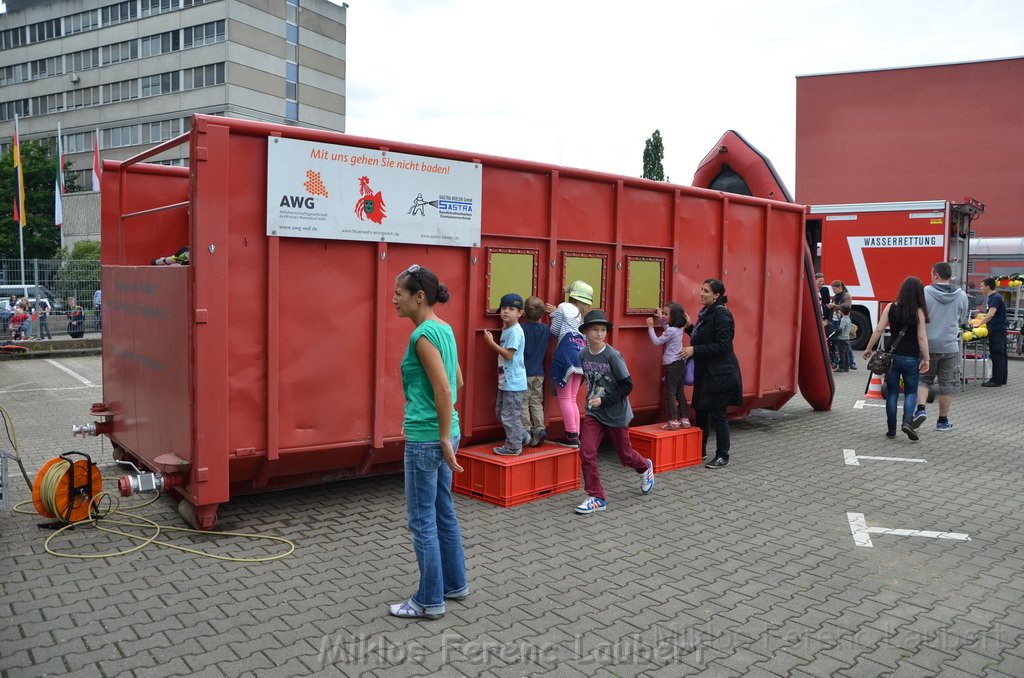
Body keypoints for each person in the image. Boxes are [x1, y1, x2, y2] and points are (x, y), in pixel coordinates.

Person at [389, 264, 468, 620]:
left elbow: (445, 387)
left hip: (428, 438)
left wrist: (439, 438)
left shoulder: (422, 336)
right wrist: (447, 435)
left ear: (419, 297)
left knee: (422, 520)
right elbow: (458, 379)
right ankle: (455, 585)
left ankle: (428, 601)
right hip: (447, 430)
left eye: (398, 294)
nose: (394, 300)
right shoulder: (444, 329)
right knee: (443, 512)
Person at [573, 309, 655, 514]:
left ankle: (645, 466)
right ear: (586, 332)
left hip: (616, 414)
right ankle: (596, 497)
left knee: (625, 455)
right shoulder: (583, 354)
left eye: (602, 330)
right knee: (587, 452)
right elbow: (591, 379)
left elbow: (627, 386)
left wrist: (604, 400)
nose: (599, 334)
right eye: (595, 330)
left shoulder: (612, 355)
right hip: (594, 413)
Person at [681, 279, 743, 469]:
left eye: (706, 291)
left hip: (721, 374)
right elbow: (704, 337)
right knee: (701, 410)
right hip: (707, 372)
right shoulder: (706, 313)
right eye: (701, 289)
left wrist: (694, 350)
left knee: (718, 414)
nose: (701, 293)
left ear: (716, 295)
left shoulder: (721, 315)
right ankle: (699, 450)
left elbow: (723, 345)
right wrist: (690, 327)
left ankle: (722, 455)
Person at [863, 276, 930, 441]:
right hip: (912, 357)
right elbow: (922, 337)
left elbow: (879, 329)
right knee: (910, 393)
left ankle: (891, 429)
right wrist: (927, 358)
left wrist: (868, 348)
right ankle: (907, 422)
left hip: (891, 356)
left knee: (892, 393)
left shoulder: (890, 307)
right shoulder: (919, 312)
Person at [913, 262, 969, 430]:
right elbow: (963, 320)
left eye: (931, 273)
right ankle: (943, 421)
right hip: (950, 346)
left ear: (936, 275)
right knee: (947, 385)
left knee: (923, 379)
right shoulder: (962, 296)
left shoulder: (923, 293)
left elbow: (918, 318)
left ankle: (921, 410)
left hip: (927, 346)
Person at [545, 280, 593, 448]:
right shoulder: (588, 316)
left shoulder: (564, 307)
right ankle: (576, 435)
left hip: (566, 356)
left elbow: (555, 330)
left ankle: (571, 436)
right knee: (572, 398)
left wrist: (553, 314)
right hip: (581, 357)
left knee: (565, 398)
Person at [483, 293, 528, 456]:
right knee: (501, 411)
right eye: (503, 308)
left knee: (509, 415)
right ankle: (523, 436)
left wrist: (491, 343)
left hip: (514, 382)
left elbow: (509, 355)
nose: (506, 311)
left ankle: (514, 447)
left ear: (520, 313)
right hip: (506, 381)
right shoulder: (508, 328)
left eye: (511, 309)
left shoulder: (515, 331)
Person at [646, 302, 691, 429]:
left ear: (674, 317)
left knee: (670, 393)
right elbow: (667, 329)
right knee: (680, 393)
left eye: (666, 314)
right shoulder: (679, 328)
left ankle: (672, 421)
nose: (664, 316)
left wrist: (650, 327)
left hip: (671, 365)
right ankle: (685, 419)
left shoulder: (671, 330)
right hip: (680, 364)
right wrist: (661, 318)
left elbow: (656, 341)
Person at [520, 296, 549, 447]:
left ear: (523, 313)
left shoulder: (521, 329)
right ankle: (540, 428)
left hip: (524, 373)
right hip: (539, 373)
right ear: (543, 314)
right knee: (536, 401)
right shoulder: (546, 329)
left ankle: (526, 430)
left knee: (524, 402)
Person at [978, 277, 1007, 387]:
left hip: (996, 330)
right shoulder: (996, 296)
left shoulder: (994, 298)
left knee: (997, 355)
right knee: (1002, 355)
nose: (980, 288)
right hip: (1001, 329)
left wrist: (979, 324)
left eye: (982, 286)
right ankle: (1002, 378)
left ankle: (996, 380)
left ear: (988, 287)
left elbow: (991, 314)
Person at [828, 280, 855, 369]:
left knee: (845, 342)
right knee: (836, 342)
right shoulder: (835, 297)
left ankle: (851, 362)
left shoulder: (847, 296)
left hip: (842, 319)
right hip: (835, 319)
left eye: (834, 289)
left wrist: (834, 306)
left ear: (840, 287)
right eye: (833, 289)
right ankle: (836, 362)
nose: (834, 291)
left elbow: (846, 307)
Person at [834, 307, 852, 372]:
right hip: (847, 338)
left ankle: (841, 367)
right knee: (846, 353)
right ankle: (846, 367)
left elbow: (841, 328)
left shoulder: (843, 319)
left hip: (842, 338)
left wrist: (836, 332)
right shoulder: (849, 319)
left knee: (842, 353)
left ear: (841, 312)